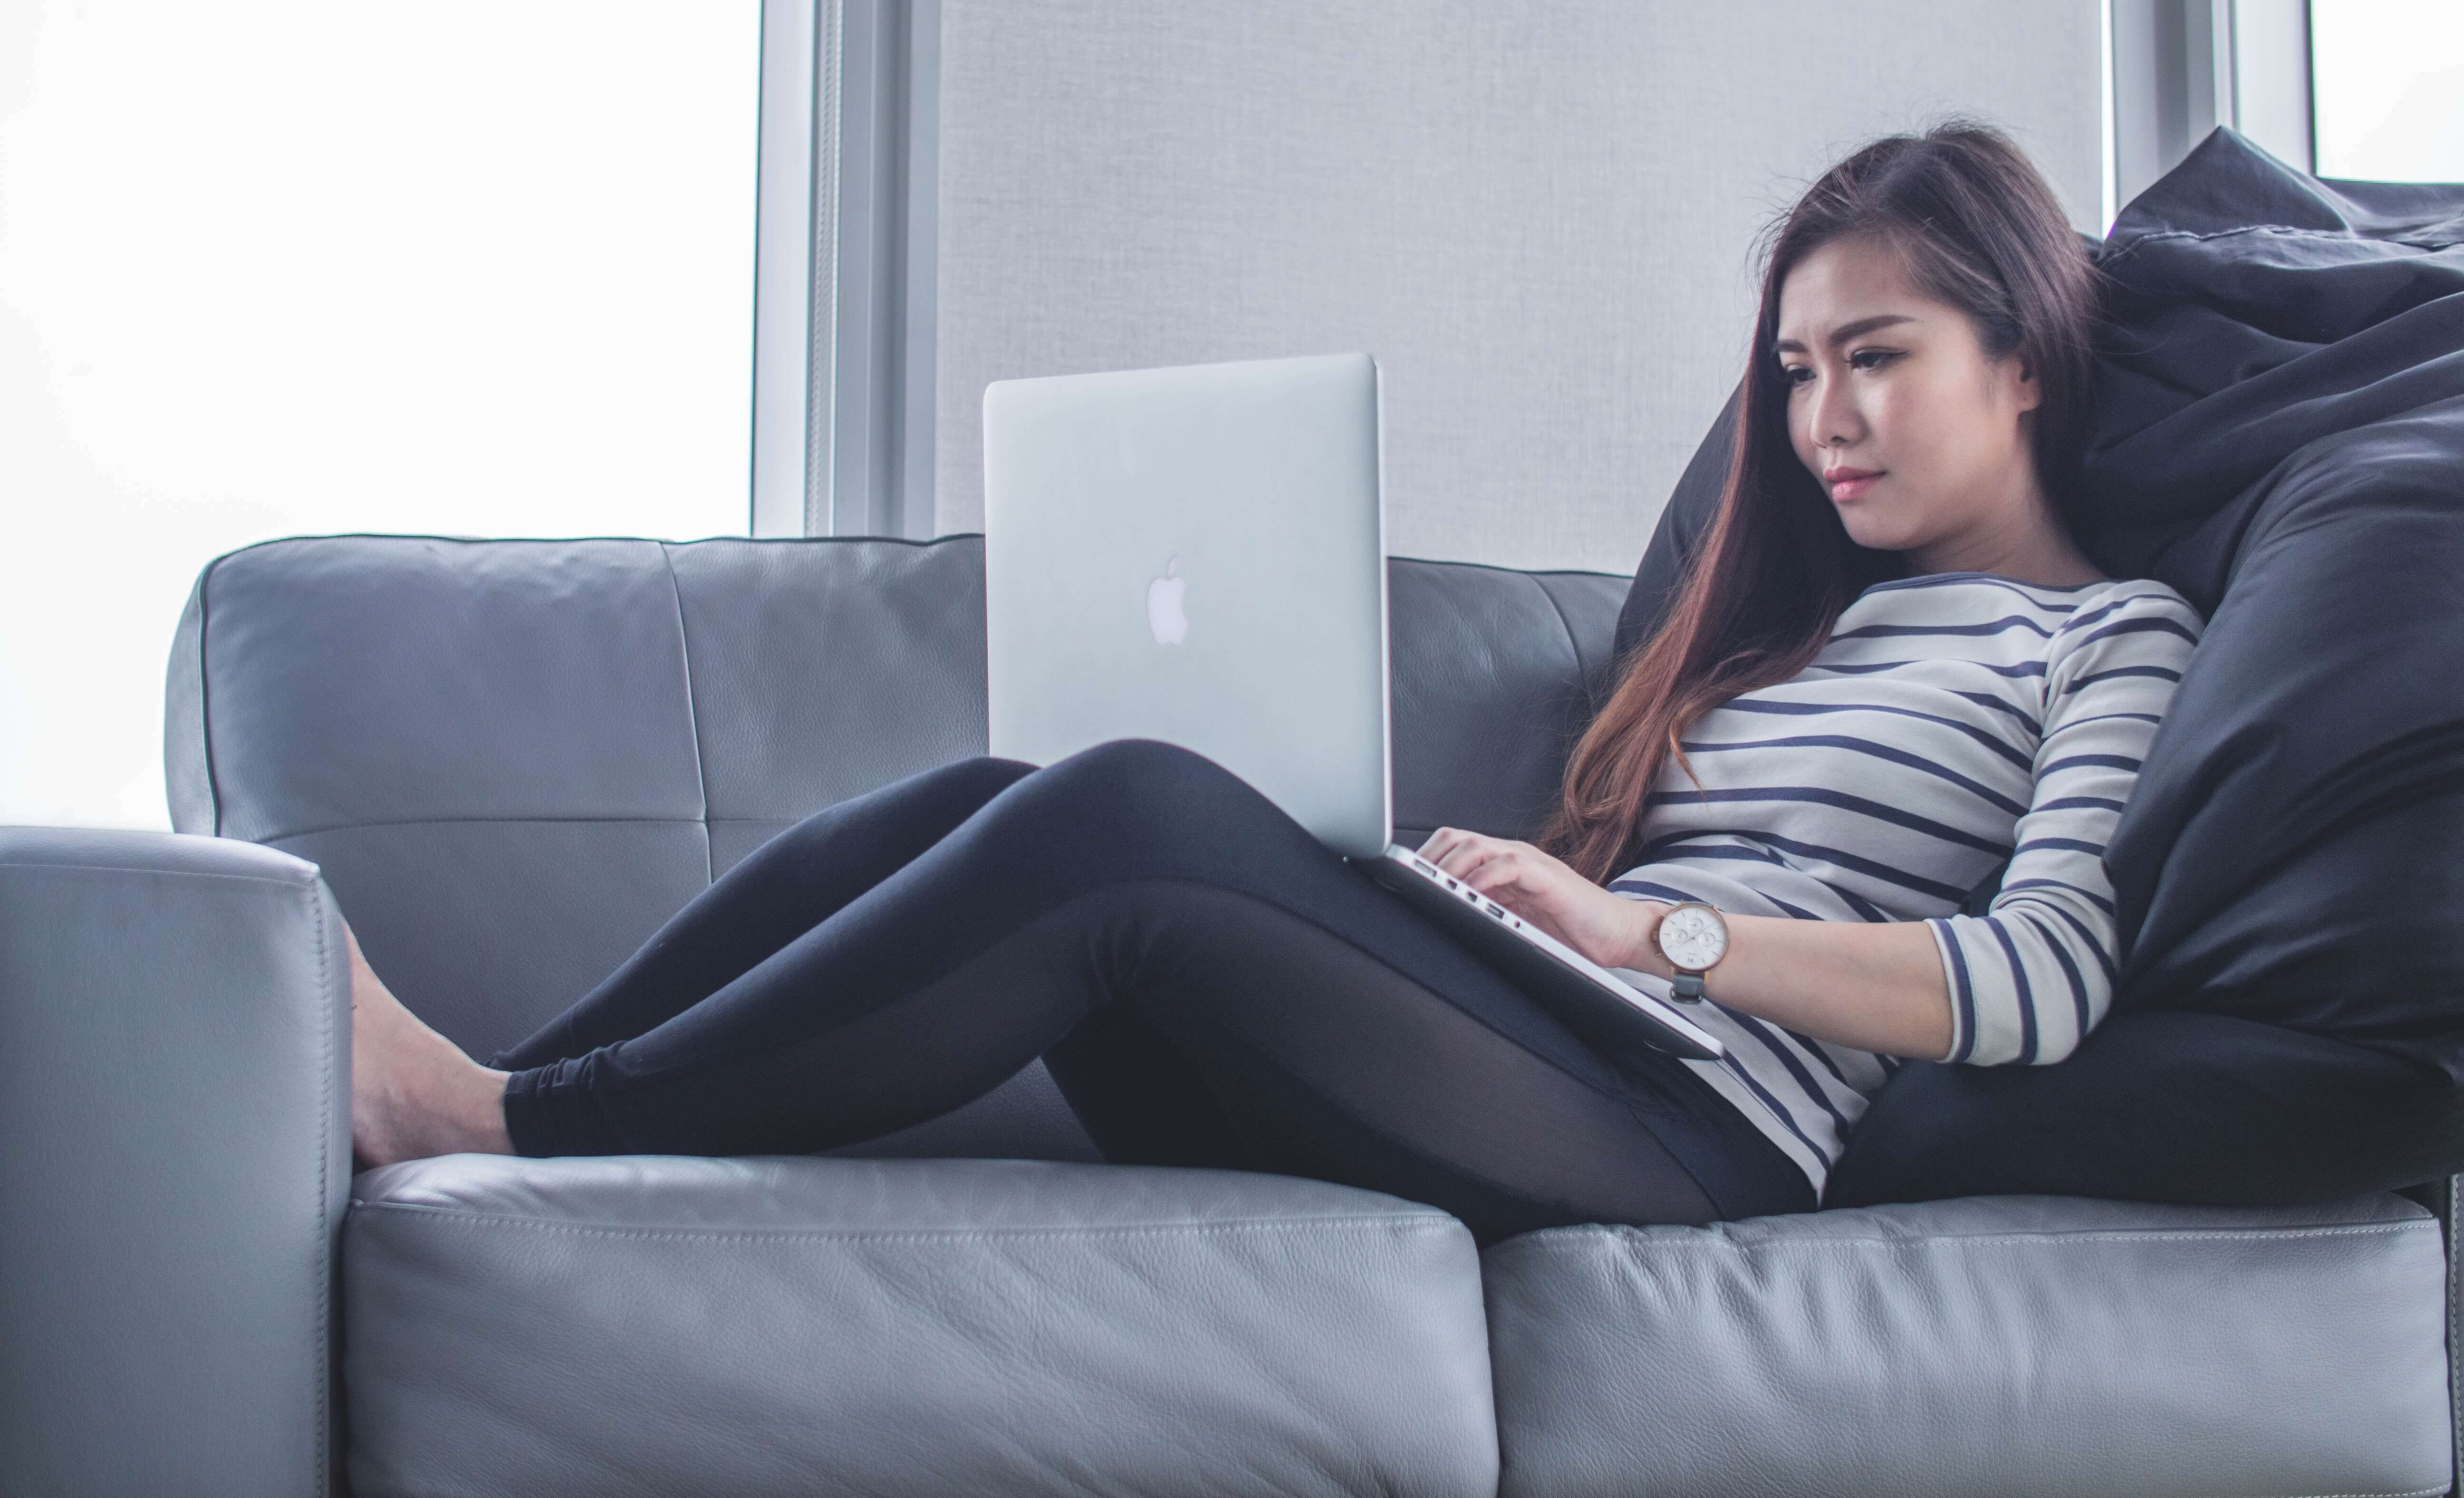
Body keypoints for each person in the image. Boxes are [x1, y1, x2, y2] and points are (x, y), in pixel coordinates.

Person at [347, 118, 2203, 1243]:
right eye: (1793, 372)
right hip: (1548, 1043)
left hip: (1702, 1133)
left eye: (1871, 357)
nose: (1820, 419)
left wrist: (1657, 941)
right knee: (1008, 798)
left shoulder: (2108, 635)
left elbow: (2042, 985)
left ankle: (503, 1125)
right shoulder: (1802, 628)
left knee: (1132, 812)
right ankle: (515, 1095)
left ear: (2024, 356)